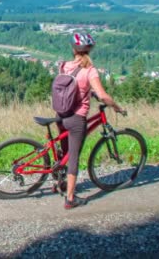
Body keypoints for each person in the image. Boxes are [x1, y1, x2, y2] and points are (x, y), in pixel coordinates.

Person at [57, 32, 124, 209]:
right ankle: (70, 198)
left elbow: (72, 88)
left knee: (65, 153)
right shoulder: (90, 70)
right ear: (90, 50)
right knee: (73, 157)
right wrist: (116, 107)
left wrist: (88, 92)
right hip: (76, 118)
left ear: (73, 49)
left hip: (61, 115)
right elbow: (102, 95)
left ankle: (60, 182)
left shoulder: (64, 66)